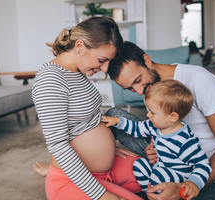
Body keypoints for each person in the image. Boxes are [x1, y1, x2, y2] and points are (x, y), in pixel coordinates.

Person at [104, 41, 215, 200]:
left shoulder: (199, 80)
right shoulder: (148, 86)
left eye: (137, 80)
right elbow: (160, 127)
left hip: (212, 174)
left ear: (147, 61)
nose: (139, 91)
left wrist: (185, 187)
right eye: (130, 88)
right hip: (171, 160)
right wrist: (152, 145)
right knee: (113, 115)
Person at [32, 17, 144, 200]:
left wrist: (105, 148)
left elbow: (83, 121)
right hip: (70, 179)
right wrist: (101, 195)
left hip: (100, 168)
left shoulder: (76, 70)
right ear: (80, 46)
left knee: (156, 177)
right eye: (102, 60)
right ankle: (54, 175)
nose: (105, 68)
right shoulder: (50, 80)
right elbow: (58, 145)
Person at [102, 79, 212, 200]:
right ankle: (151, 194)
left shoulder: (185, 140)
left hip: (177, 177)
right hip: (159, 167)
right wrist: (118, 121)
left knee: (158, 175)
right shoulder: (156, 126)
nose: (148, 115)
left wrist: (193, 183)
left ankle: (158, 193)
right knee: (139, 165)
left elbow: (203, 164)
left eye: (152, 113)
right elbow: (137, 128)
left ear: (173, 117)